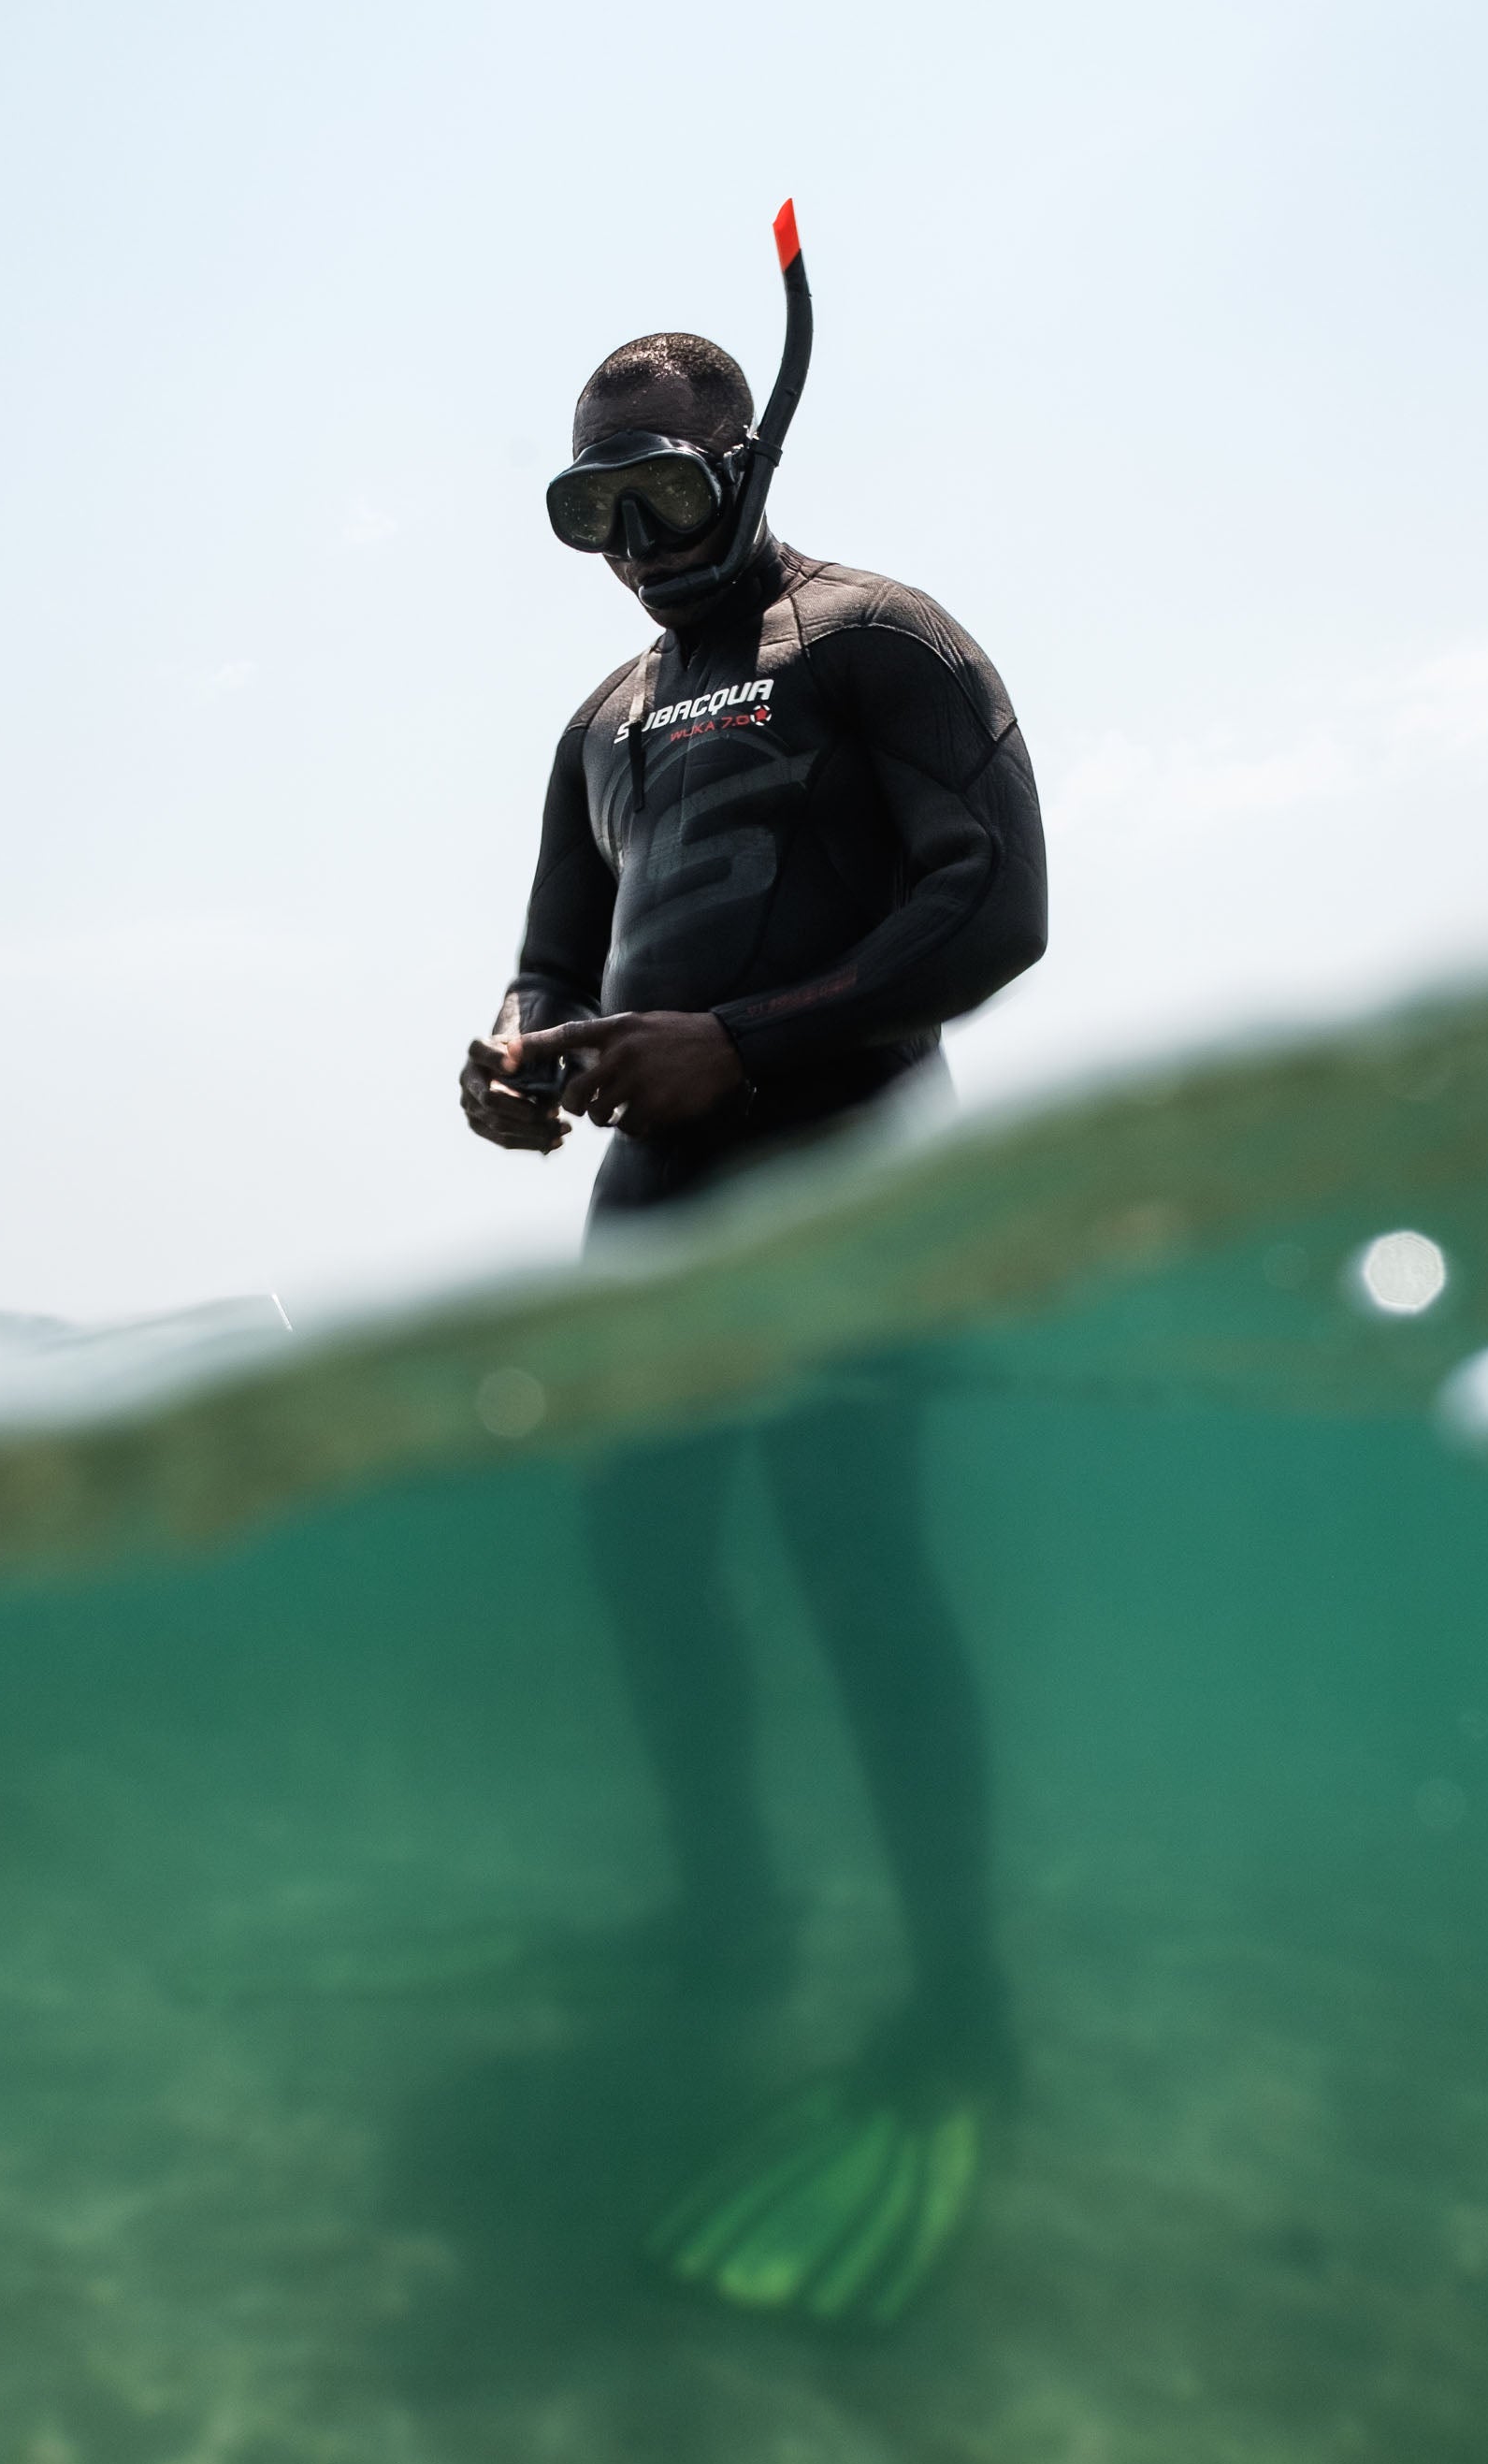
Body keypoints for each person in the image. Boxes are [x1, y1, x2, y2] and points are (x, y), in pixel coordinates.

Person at [455, 209, 1047, 2328]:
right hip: (654, 1198)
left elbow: (997, 914)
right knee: (641, 1546)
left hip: (840, 1161)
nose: (628, 536)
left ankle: (964, 1998)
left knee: (852, 1561)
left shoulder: (873, 639)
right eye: (585, 506)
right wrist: (506, 1058)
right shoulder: (599, 717)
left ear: (749, 461)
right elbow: (546, 943)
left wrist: (751, 1044)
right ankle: (731, 1911)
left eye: (662, 491)